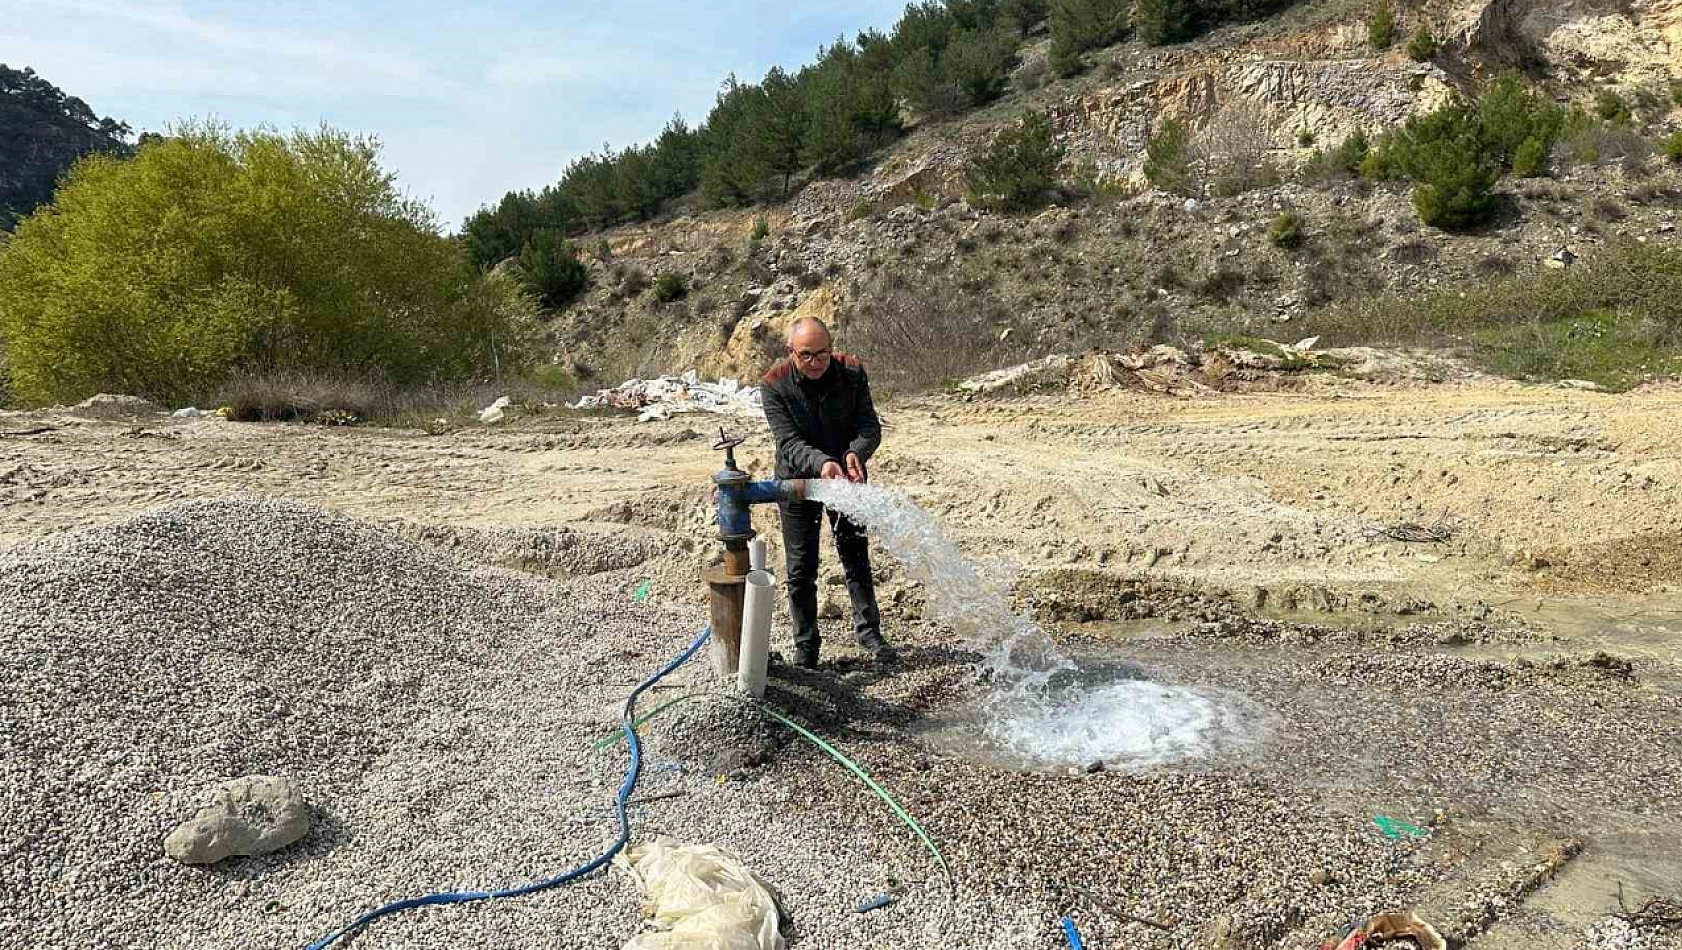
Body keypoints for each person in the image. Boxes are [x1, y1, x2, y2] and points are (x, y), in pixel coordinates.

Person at [760, 316, 897, 670]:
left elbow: (869, 425)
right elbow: (788, 442)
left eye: (822, 354)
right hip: (798, 482)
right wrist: (822, 463)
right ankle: (806, 648)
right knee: (801, 568)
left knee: (855, 555)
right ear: (791, 353)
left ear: (831, 349)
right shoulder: (774, 384)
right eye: (806, 356)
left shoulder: (851, 372)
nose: (816, 363)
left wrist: (856, 453)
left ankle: (869, 633)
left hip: (846, 477)